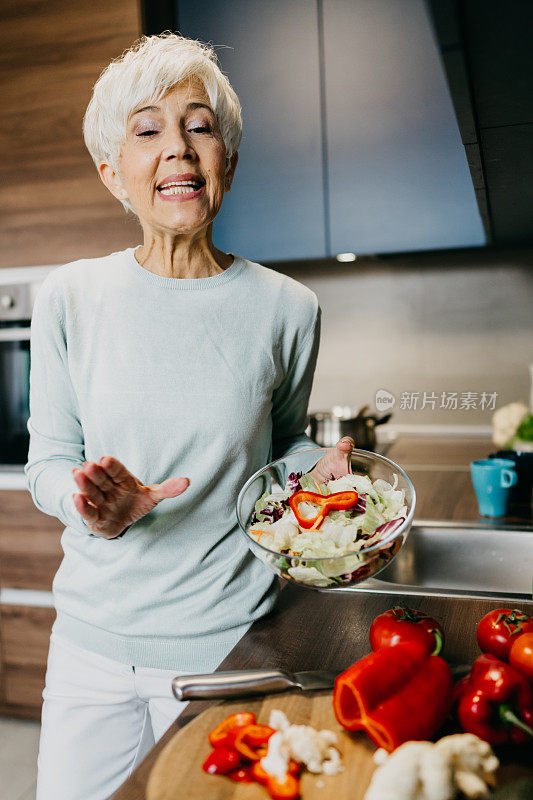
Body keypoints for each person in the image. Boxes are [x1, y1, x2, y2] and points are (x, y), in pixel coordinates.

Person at [24, 32, 355, 800]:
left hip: (229, 646)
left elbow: (279, 448)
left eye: (198, 126)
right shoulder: (71, 298)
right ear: (114, 173)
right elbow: (48, 460)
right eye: (147, 129)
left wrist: (318, 466)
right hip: (91, 651)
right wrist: (92, 506)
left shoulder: (288, 310)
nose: (176, 147)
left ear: (227, 163)